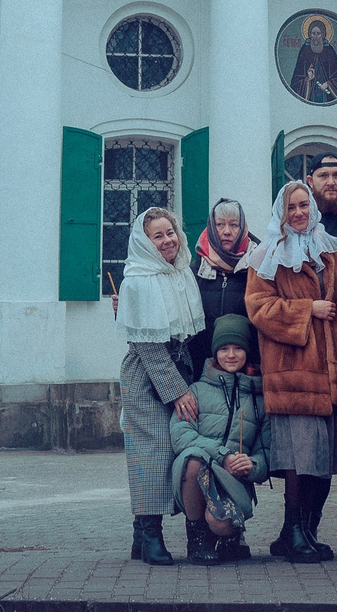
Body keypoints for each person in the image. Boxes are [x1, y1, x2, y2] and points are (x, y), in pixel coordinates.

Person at [241, 179, 337, 564]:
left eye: (304, 206)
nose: (299, 213)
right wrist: (305, 310)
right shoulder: (266, 255)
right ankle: (292, 529)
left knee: (323, 460)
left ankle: (307, 530)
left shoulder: (335, 250)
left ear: (313, 208)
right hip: (293, 370)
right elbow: (258, 307)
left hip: (335, 371)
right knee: (299, 458)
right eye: (292, 207)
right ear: (282, 212)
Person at [115, 206, 208, 566]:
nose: (167, 240)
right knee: (150, 454)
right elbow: (149, 347)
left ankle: (142, 538)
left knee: (177, 450)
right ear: (145, 241)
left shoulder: (181, 273)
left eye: (171, 232)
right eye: (158, 235)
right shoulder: (138, 279)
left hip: (179, 368)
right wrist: (177, 391)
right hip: (146, 376)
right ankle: (150, 534)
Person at [170, 314, 271, 566]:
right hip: (197, 472)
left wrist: (253, 465)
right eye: (224, 348)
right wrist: (222, 455)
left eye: (238, 348)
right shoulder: (196, 391)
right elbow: (182, 436)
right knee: (192, 459)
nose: (231, 355)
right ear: (215, 353)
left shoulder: (259, 398)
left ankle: (229, 537)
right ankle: (197, 538)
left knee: (221, 523)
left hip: (233, 481)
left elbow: (267, 450)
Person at [186, 199, 251, 372]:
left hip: (246, 368)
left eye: (234, 225)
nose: (227, 231)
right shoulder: (195, 271)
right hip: (202, 366)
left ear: (243, 229)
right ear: (211, 229)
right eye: (220, 225)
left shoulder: (256, 268)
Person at [290, 15, 337, 103]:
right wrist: (308, 79)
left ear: (323, 34)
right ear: (310, 34)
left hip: (326, 95)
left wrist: (328, 84)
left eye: (318, 33)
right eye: (313, 33)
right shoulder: (305, 50)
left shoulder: (329, 51)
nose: (316, 37)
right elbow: (297, 79)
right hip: (310, 94)